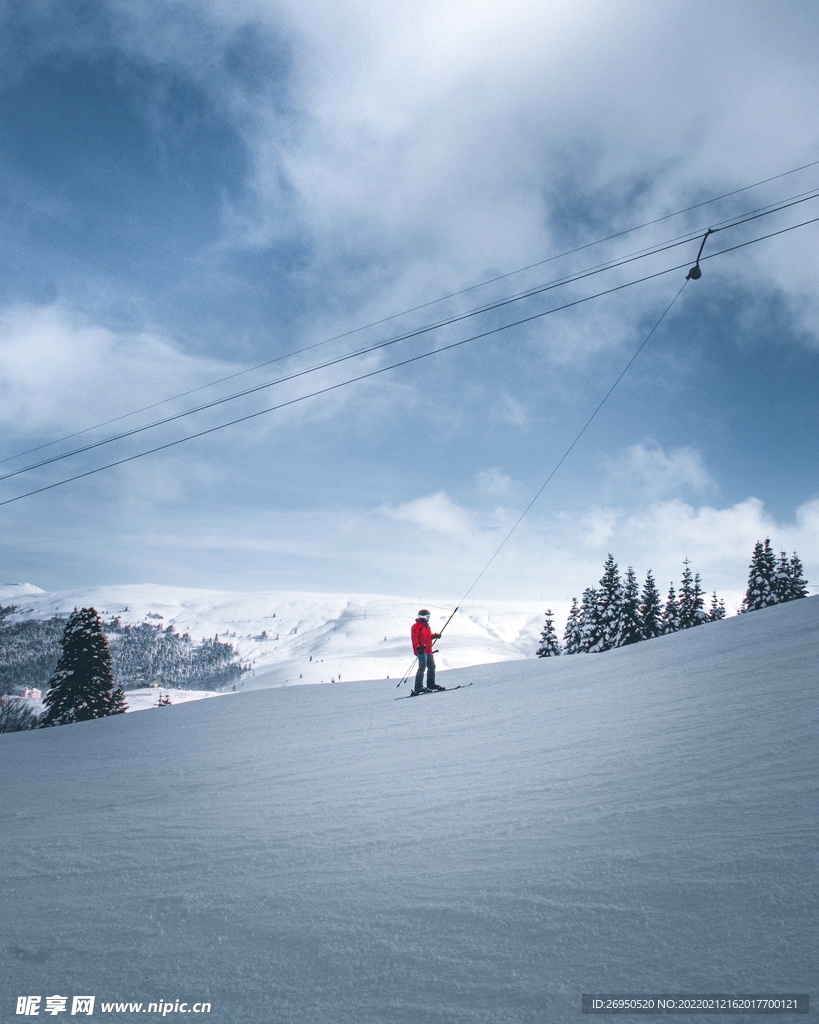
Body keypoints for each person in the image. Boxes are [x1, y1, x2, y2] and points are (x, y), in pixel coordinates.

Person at [411, 609, 443, 694]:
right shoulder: (416, 626)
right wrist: (418, 648)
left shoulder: (427, 627)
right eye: (427, 616)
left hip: (428, 650)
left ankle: (431, 684)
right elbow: (415, 639)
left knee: (432, 667)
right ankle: (418, 687)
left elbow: (428, 637)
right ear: (422, 616)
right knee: (422, 668)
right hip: (421, 651)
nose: (428, 618)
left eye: (429, 616)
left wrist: (435, 636)